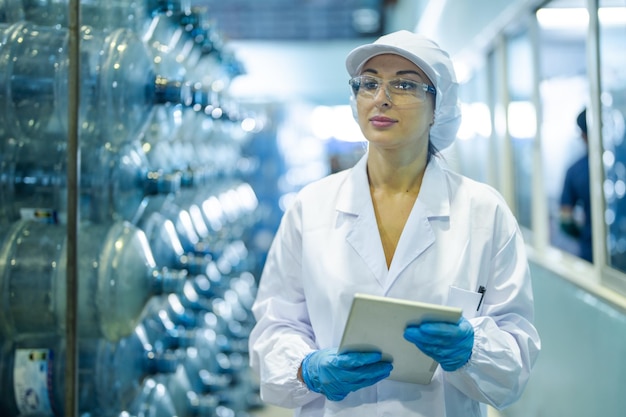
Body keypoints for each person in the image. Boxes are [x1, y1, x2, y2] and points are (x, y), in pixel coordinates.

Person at [248, 30, 541, 417]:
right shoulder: (312, 208)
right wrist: (307, 369)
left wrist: (472, 350)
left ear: (439, 106)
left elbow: (515, 360)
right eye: (369, 83)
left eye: (404, 84)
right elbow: (275, 325)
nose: (381, 98)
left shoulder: (483, 211)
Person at [559, 109, 592, 262]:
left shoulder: (576, 171)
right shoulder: (618, 166)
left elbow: (565, 221)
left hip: (591, 254)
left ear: (583, 135)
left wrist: (587, 233)